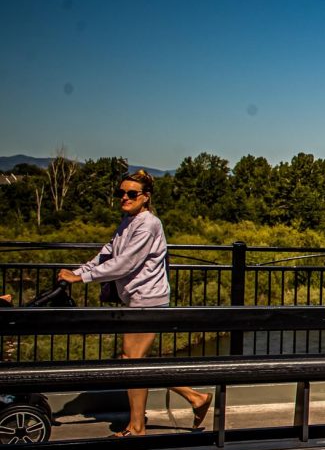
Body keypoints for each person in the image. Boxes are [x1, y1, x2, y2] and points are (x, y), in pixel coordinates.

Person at [57, 170, 212, 436]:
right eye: (121, 193)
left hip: (148, 300)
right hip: (137, 299)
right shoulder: (127, 222)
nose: (124, 198)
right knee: (134, 361)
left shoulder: (149, 224)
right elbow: (106, 255)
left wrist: (81, 278)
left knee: (132, 361)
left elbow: (125, 263)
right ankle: (194, 398)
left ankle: (138, 426)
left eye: (131, 194)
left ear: (146, 197)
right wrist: (78, 271)